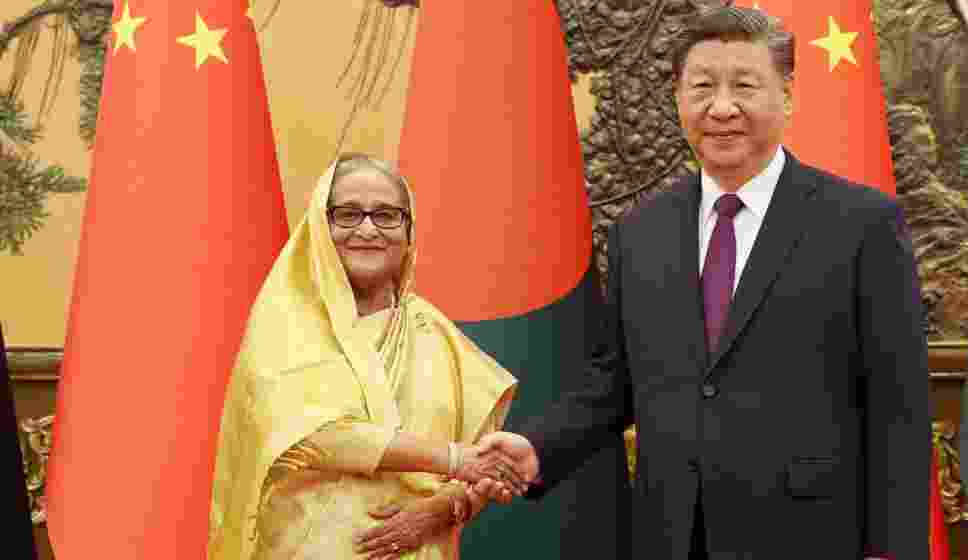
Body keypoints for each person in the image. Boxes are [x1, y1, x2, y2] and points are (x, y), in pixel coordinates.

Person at [477, 7, 930, 559]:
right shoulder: (639, 233)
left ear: (787, 95)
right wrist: (537, 448)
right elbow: (615, 382)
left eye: (744, 86)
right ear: (678, 98)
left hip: (810, 535)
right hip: (672, 536)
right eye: (702, 87)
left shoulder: (861, 223)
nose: (721, 107)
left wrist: (892, 550)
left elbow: (898, 404)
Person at [207, 154, 525, 560]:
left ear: (409, 233)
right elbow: (312, 436)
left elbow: (483, 467)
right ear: (321, 227)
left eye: (386, 215)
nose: (368, 229)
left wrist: (443, 508)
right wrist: (452, 458)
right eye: (348, 214)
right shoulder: (285, 324)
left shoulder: (438, 337)